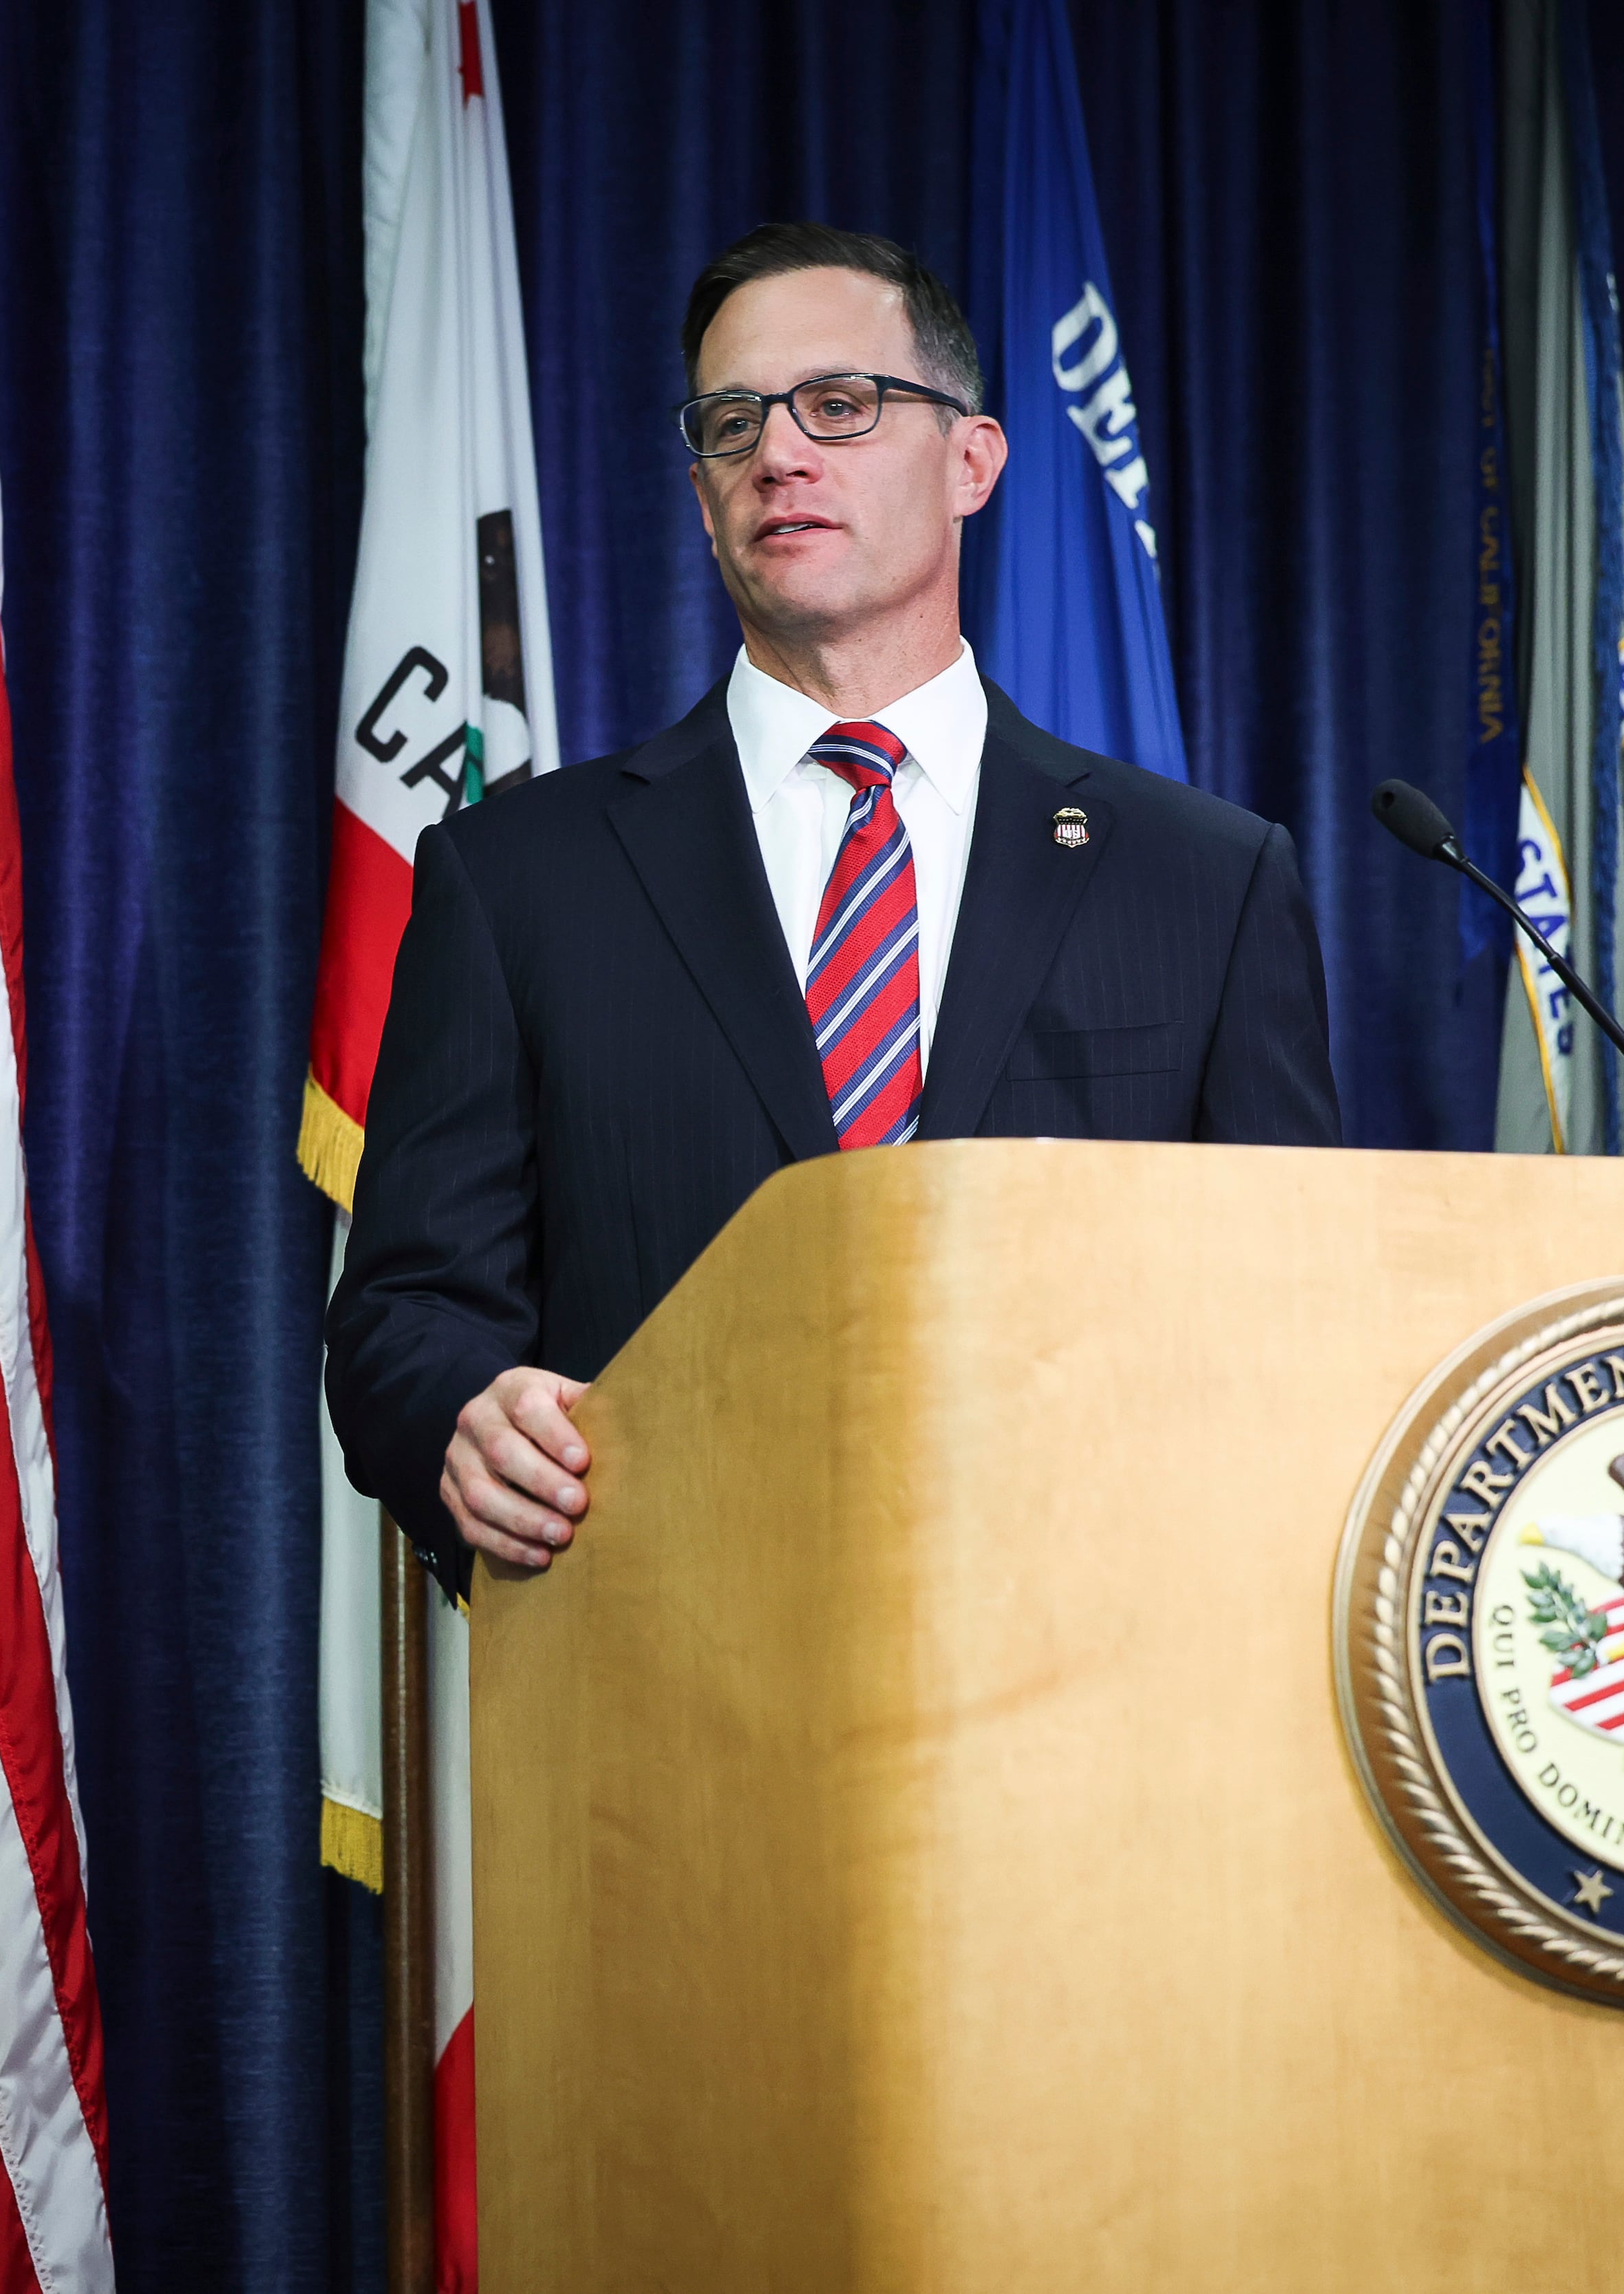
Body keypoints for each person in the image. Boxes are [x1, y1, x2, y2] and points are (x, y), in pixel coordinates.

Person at [326, 222, 1340, 1594]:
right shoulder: (518, 879)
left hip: (1085, 1651)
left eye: (840, 405)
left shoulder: (1203, 882)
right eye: (731, 422)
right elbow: (404, 1315)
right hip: (662, 1649)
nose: (778, 454)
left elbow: (1288, 1311)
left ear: (972, 460)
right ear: (702, 499)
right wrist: (465, 1415)